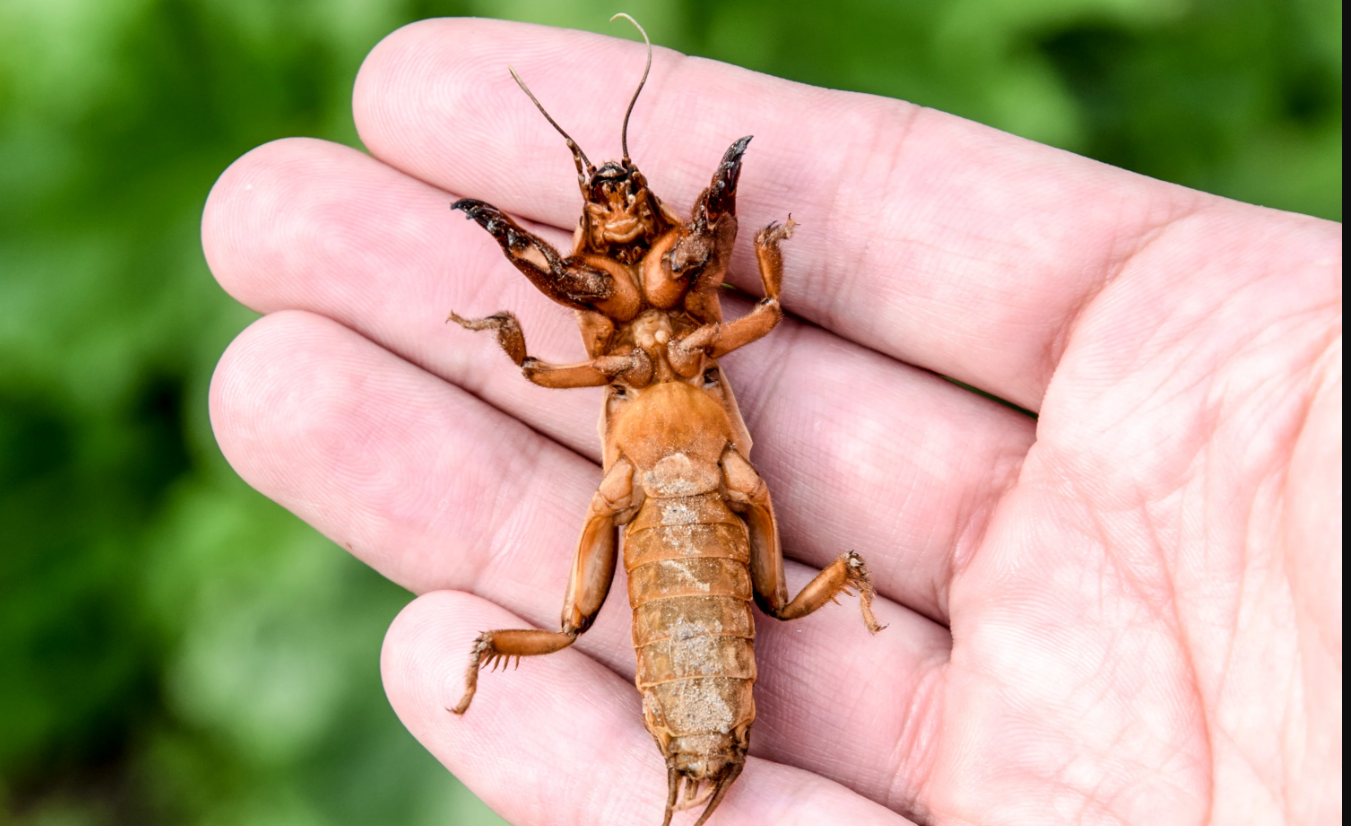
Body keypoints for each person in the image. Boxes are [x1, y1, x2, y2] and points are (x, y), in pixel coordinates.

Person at [202, 18, 1341, 825]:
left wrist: (713, 227)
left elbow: (748, 302)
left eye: (628, 204)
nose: (616, 217)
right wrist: (512, 285)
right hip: (653, 515)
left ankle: (777, 634)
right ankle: (644, 678)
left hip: (688, 504)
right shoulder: (632, 320)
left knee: (714, 576)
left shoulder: (683, 312)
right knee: (569, 613)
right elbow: (572, 341)